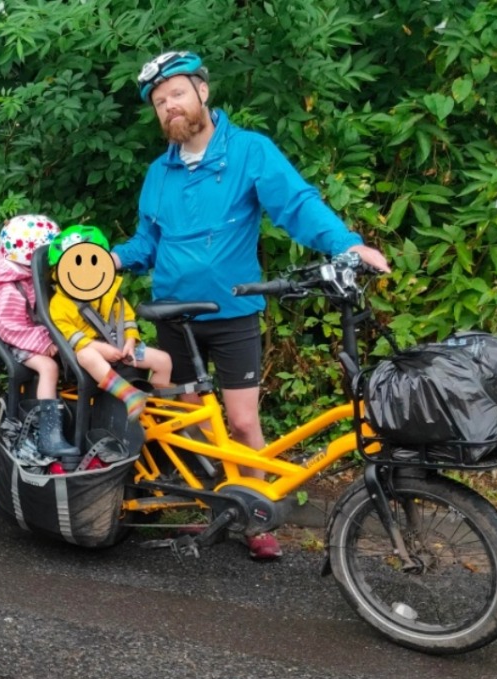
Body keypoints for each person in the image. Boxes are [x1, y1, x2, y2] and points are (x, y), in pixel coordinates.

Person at [112, 51, 391, 560]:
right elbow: (145, 245)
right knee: (190, 421)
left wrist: (346, 245)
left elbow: (296, 204)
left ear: (202, 91)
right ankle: (223, 502)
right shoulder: (159, 173)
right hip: (172, 314)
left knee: (242, 422)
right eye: (158, 102)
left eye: (175, 93)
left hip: (233, 313)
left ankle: (257, 514)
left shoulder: (248, 152)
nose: (168, 107)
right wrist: (102, 260)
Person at [0, 213, 77, 459]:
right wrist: (44, 343)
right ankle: (48, 435)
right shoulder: (6, 287)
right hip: (21, 344)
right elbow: (8, 328)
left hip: (41, 335)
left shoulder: (28, 277)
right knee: (49, 368)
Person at [47, 225, 173, 422]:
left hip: (121, 347)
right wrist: (99, 348)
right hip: (90, 352)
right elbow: (69, 334)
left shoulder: (108, 290)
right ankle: (129, 395)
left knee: (163, 361)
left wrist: (130, 340)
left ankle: (156, 412)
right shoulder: (59, 304)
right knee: (86, 355)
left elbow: (126, 317)